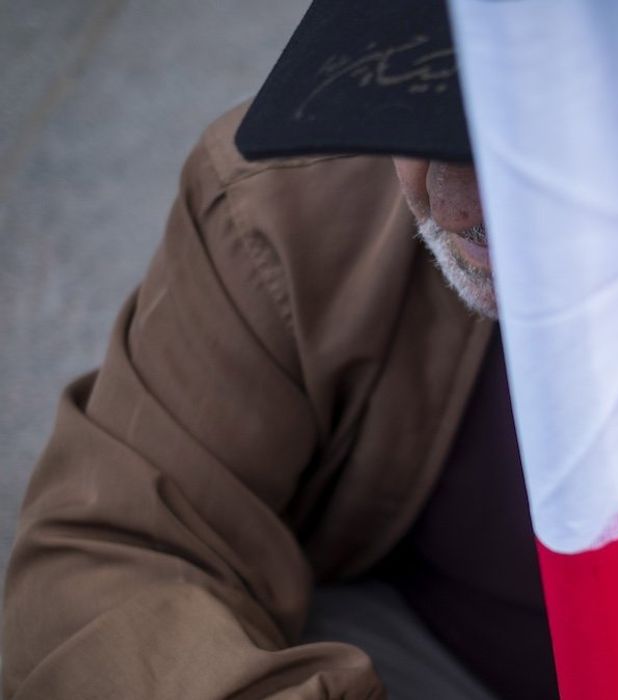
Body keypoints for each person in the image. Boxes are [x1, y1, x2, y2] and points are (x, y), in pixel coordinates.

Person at [1, 0, 557, 698]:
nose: (453, 207)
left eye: (525, 144)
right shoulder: (285, 196)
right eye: (424, 115)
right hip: (436, 656)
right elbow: (111, 555)